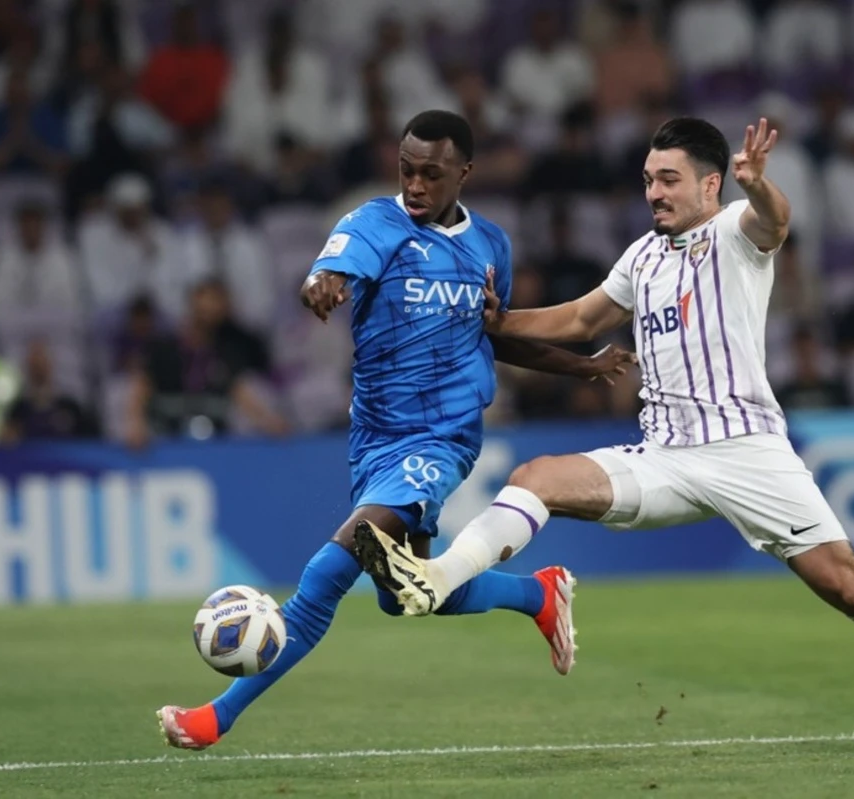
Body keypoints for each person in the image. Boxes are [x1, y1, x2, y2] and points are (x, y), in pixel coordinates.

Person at [356, 117, 854, 754]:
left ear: (711, 183)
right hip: (665, 456)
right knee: (536, 478)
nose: (654, 191)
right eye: (649, 178)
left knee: (850, 588)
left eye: (669, 179)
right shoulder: (642, 257)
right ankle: (435, 578)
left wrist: (759, 181)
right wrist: (498, 321)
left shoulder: (737, 229)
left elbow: (777, 220)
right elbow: (580, 320)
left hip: (748, 451)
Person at [157, 111, 634, 750]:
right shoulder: (374, 223)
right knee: (403, 592)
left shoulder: (491, 244)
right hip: (375, 438)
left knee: (329, 574)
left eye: (431, 174)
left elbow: (494, 334)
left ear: (463, 173)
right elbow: (331, 272)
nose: (414, 184)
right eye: (406, 169)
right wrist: (321, 285)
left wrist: (584, 366)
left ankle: (217, 717)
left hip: (442, 439)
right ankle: (537, 595)